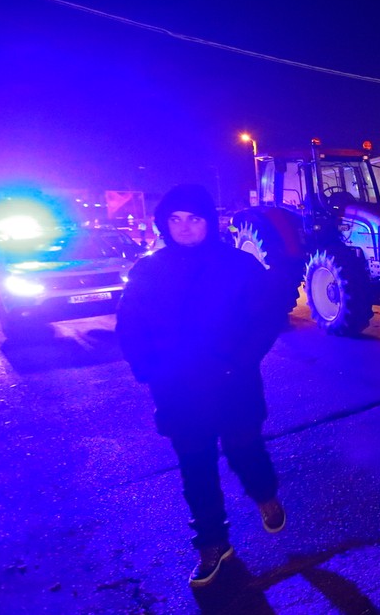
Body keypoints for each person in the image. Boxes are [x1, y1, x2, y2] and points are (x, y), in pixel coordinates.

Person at [116, 184, 288, 587]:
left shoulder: (238, 266)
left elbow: (267, 314)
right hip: (179, 390)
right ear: (164, 223)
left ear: (208, 222)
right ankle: (213, 543)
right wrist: (148, 368)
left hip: (234, 384)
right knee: (196, 469)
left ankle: (265, 495)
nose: (185, 228)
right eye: (176, 219)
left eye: (194, 219)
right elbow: (130, 326)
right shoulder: (149, 271)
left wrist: (242, 358)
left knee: (245, 450)